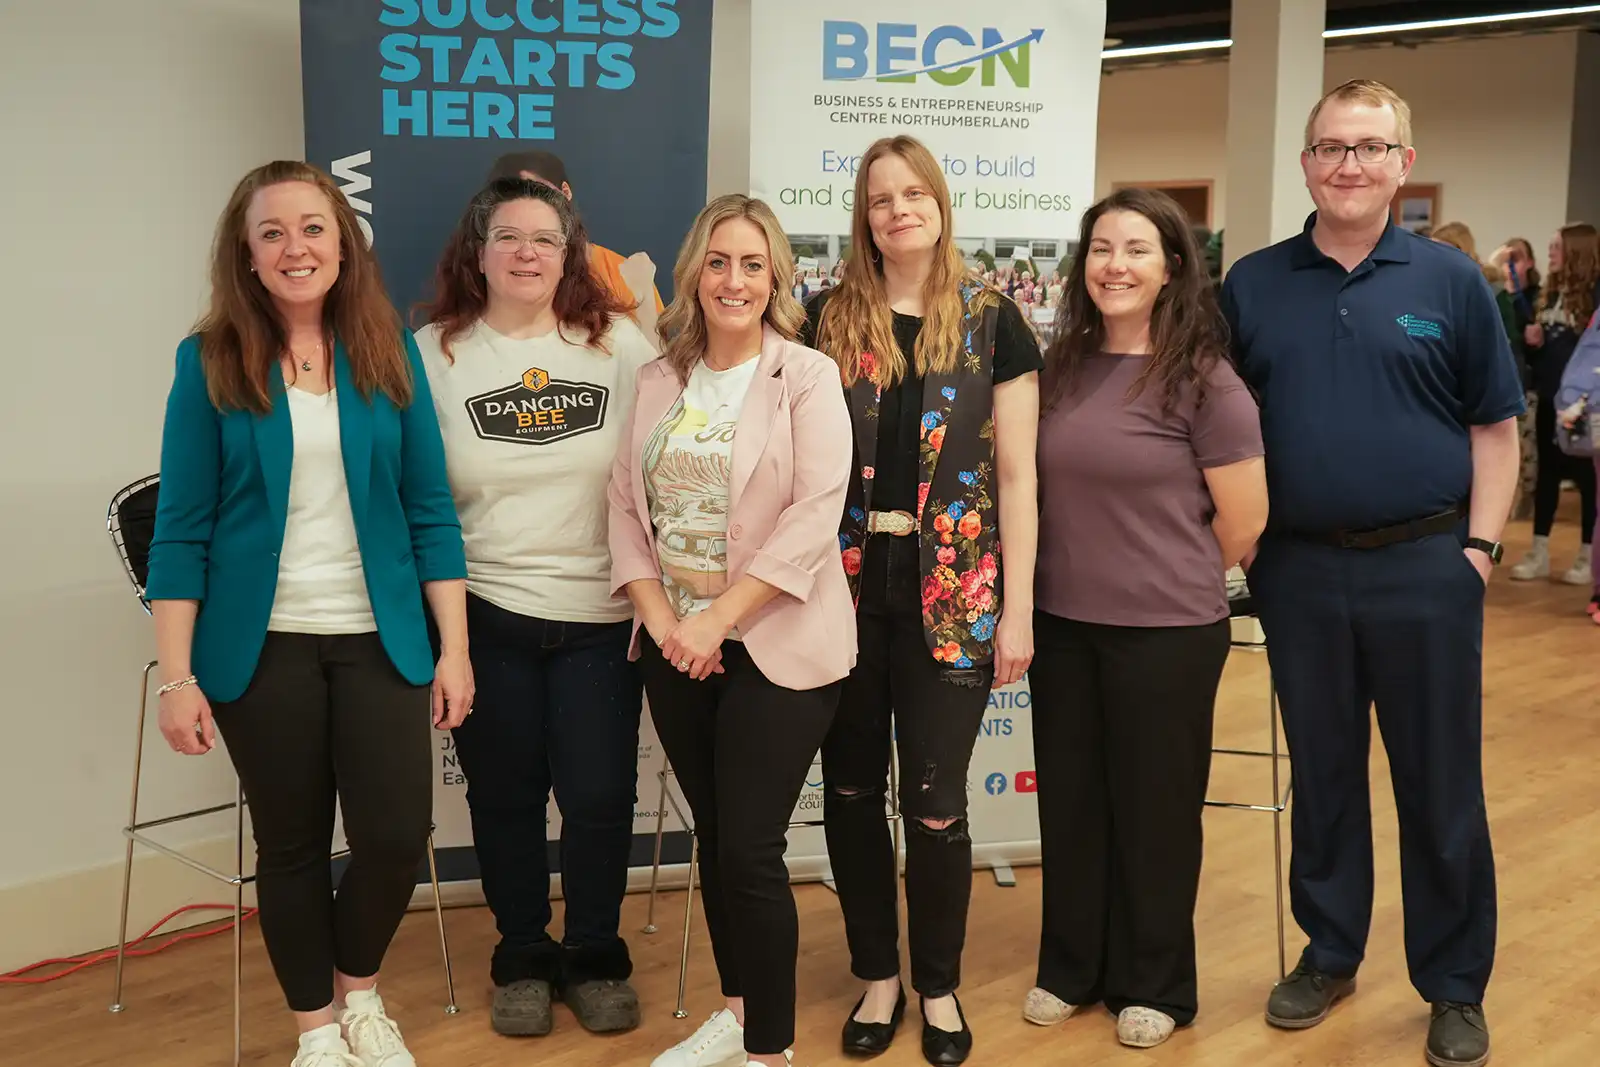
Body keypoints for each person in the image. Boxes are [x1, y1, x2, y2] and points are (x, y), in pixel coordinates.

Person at [1220, 80, 1523, 1067]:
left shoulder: (1450, 283)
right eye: (1329, 147)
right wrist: (1247, 546)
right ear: (1304, 163)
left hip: (1427, 567)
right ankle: (1329, 950)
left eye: (1368, 146)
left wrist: (1475, 553)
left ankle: (1452, 981)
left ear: (1400, 162)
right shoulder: (1254, 284)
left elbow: (1494, 426)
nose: (1347, 164)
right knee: (1324, 775)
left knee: (1440, 784)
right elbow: (1226, 434)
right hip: (1298, 572)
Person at [145, 160, 472, 1067]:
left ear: (342, 241)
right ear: (247, 256)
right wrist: (177, 677)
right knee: (290, 844)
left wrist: (456, 649)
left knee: (395, 836)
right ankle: (317, 1031)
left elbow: (429, 511)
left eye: (313, 227)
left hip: (380, 638)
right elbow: (181, 532)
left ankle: (360, 993)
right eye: (274, 233)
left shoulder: (387, 350)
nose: (297, 247)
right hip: (262, 649)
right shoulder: (209, 359)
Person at [803, 134, 1041, 1067]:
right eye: (879, 199)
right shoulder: (824, 318)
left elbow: (1016, 476)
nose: (897, 210)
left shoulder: (994, 321)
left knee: (937, 803)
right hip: (839, 598)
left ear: (941, 204)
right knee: (853, 792)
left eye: (913, 194)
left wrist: (1017, 610)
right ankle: (878, 975)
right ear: (862, 217)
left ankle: (937, 984)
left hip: (959, 597)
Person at [607, 194, 855, 1067]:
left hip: (776, 644)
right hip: (677, 645)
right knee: (715, 838)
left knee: (750, 847)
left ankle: (770, 1053)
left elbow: (814, 515)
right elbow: (624, 508)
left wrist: (717, 618)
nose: (735, 279)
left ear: (777, 277)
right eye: (719, 261)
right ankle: (742, 1010)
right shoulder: (657, 378)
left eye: (753, 263)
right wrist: (667, 618)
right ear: (693, 274)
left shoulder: (807, 376)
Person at [412, 176, 659, 1038]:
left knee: (597, 796)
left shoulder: (621, 345)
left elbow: (665, 465)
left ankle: (594, 953)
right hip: (485, 610)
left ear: (570, 253)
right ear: (475, 252)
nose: (526, 253)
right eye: (508, 237)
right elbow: (420, 501)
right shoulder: (432, 354)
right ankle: (521, 952)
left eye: (545, 240)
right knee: (505, 795)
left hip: (601, 612)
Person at [1025, 188, 1268, 1049]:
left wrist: (1163, 578)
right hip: (1061, 621)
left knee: (1156, 810)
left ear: (1172, 267)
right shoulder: (1058, 367)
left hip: (1166, 632)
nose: (1114, 265)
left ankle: (1156, 980)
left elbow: (1243, 523)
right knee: (1074, 804)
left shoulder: (1208, 381)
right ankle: (1070, 966)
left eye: (1135, 249)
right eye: (1100, 248)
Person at [1509, 222, 1599, 585]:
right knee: (1547, 474)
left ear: (1576, 251)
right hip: (1550, 397)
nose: (1550, 253)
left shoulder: (1595, 295)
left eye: (1556, 247)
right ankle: (1539, 551)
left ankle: (1586, 556)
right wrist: (1535, 341)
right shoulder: (1550, 292)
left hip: (1585, 405)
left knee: (1586, 478)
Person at [488, 151, 664, 338]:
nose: (527, 206)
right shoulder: (487, 276)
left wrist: (644, 295)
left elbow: (654, 360)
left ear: (565, 192)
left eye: (540, 194)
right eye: (511, 198)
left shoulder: (622, 273)